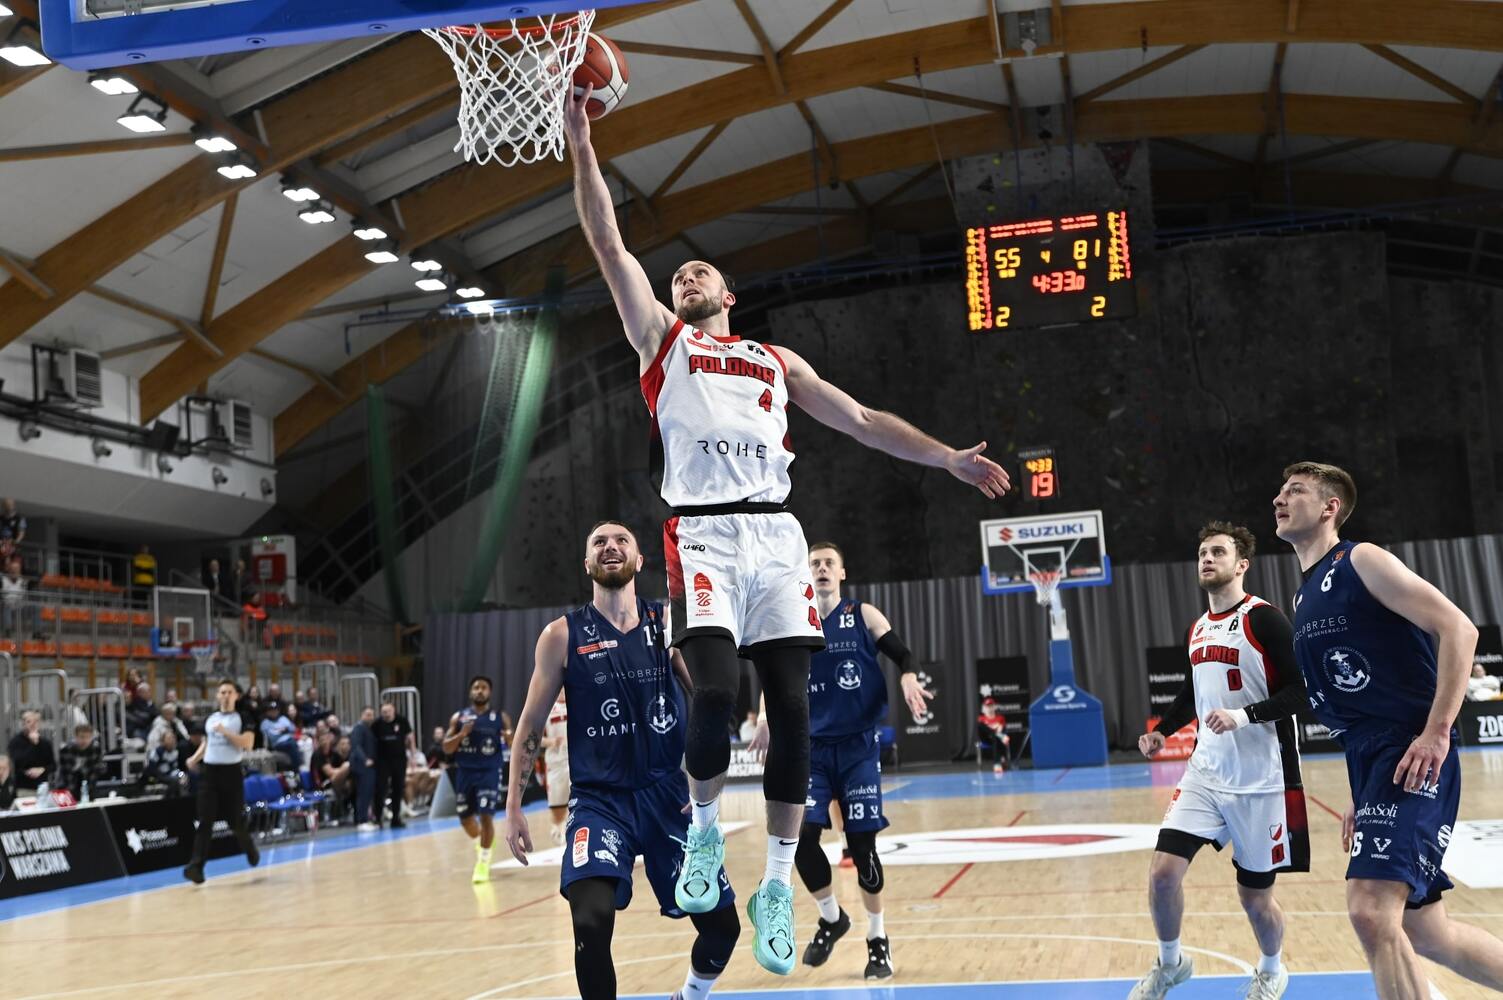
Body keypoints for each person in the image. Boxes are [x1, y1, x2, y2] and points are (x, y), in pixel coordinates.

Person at [562, 86, 1011, 977]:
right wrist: (580, 139)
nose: (685, 280)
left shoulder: (775, 361)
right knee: (714, 695)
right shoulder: (661, 342)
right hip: (702, 534)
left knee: (793, 714)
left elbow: (863, 419)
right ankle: (701, 833)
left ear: (729, 294)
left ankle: (774, 883)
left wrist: (945, 460)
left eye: (700, 274)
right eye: (678, 276)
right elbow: (608, 240)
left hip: (775, 538)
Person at [1275, 461, 1503, 998]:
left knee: (1371, 910)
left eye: (1296, 490)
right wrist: (1362, 794)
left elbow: (1459, 629)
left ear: (1330, 508)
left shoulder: (1361, 560)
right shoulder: (1303, 596)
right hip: (1373, 761)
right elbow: (1357, 711)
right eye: (1280, 491)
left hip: (1411, 750)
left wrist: (1437, 731)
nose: (1280, 499)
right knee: (1427, 933)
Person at [504, 520, 739, 1000]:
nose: (610, 547)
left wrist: (707, 783)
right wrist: (513, 805)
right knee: (590, 922)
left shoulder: (667, 623)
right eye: (599, 542)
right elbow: (529, 726)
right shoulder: (560, 635)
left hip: (668, 796)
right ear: (587, 562)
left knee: (723, 928)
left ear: (639, 559)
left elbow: (708, 700)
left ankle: (690, 996)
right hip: (599, 802)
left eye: (621, 541)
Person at [1131, 521, 1310, 1000]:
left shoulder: (1264, 620)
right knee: (1162, 874)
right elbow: (1193, 693)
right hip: (1206, 774)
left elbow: (1303, 692)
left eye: (1217, 552)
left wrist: (1243, 715)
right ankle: (1171, 963)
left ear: (1242, 564)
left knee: (1255, 898)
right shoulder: (1197, 628)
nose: (1207, 559)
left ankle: (1271, 970)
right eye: (1202, 553)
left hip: (1262, 779)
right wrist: (1163, 731)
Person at [747, 541, 929, 980]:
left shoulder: (862, 615)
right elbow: (774, 678)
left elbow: (902, 653)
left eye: (830, 563)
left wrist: (907, 675)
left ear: (842, 573)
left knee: (863, 848)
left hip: (857, 749)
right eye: (815, 563)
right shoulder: (793, 621)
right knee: (801, 839)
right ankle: (832, 917)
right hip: (811, 749)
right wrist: (765, 716)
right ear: (806, 572)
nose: (822, 568)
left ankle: (877, 937)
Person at [183, 678, 259, 883]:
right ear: (217, 695)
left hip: (231, 773)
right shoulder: (211, 719)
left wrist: (226, 732)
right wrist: (194, 759)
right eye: (222, 692)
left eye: (229, 692)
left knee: (235, 821)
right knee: (205, 821)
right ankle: (196, 867)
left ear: (236, 696)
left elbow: (248, 744)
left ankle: (250, 848)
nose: (225, 696)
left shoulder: (243, 717)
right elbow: (208, 743)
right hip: (209, 774)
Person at [443, 677, 507, 882]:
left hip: (489, 772)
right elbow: (446, 748)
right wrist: (461, 734)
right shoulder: (459, 717)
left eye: (484, 687)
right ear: (471, 692)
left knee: (486, 816)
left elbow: (513, 742)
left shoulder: (500, 717)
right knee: (466, 821)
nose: (480, 691)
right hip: (465, 773)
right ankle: (484, 839)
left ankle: (483, 863)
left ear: (490, 692)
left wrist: (509, 737)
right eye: (476, 687)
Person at [372, 700, 414, 828]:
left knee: (398, 788)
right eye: (384, 712)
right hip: (383, 760)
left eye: (388, 711)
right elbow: (372, 741)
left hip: (399, 759)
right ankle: (378, 818)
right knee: (381, 789)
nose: (386, 714)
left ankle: (396, 818)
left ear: (394, 710)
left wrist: (413, 756)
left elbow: (410, 737)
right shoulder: (377, 724)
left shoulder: (402, 721)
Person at [541, 690, 570, 845]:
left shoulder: (579, 699)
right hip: (556, 763)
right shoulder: (544, 706)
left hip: (578, 760)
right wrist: (550, 742)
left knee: (583, 801)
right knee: (558, 813)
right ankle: (558, 833)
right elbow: (533, 736)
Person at [7, 709, 55, 789]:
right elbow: (19, 763)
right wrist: (33, 745)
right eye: (29, 722)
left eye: (36, 721)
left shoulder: (45, 743)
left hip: (42, 786)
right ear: (23, 724)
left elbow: (53, 765)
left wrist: (42, 769)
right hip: (23, 787)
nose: (33, 724)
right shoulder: (15, 742)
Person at [348, 706, 378, 831]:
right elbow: (356, 746)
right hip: (362, 766)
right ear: (362, 715)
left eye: (371, 715)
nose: (370, 717)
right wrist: (365, 759)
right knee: (363, 793)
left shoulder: (369, 729)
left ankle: (365, 818)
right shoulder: (358, 728)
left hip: (369, 766)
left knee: (368, 792)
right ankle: (362, 820)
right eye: (367, 714)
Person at [57, 724, 106, 799]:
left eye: (88, 737)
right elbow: (63, 773)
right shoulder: (66, 750)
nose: (85, 740)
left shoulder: (95, 749)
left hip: (90, 788)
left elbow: (99, 770)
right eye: (82, 737)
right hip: (70, 788)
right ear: (76, 737)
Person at [142, 728, 189, 795]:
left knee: (186, 777)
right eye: (169, 738)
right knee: (174, 781)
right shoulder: (157, 752)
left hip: (173, 774)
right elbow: (151, 768)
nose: (172, 740)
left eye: (173, 738)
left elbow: (180, 768)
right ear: (163, 741)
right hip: (159, 777)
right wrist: (161, 776)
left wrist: (182, 775)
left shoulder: (177, 751)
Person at [1, 555, 38, 639]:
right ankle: (7, 631)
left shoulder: (23, 581)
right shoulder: (3, 580)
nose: (15, 571)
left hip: (20, 607)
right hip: (6, 606)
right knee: (6, 607)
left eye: (17, 569)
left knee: (35, 608)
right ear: (9, 570)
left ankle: (37, 633)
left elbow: (37, 577)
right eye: (13, 569)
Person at [259, 703, 301, 769]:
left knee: (299, 744)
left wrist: (285, 730)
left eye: (276, 710)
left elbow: (293, 728)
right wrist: (283, 731)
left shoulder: (283, 718)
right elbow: (272, 735)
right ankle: (296, 768)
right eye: (272, 710)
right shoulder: (265, 723)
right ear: (267, 712)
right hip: (278, 743)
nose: (274, 712)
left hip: (290, 740)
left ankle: (295, 767)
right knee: (292, 745)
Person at [976, 698, 1010, 774]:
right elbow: (983, 730)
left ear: (994, 707)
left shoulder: (1000, 718)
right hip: (986, 739)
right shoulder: (981, 718)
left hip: (997, 740)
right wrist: (994, 730)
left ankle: (997, 764)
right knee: (980, 725)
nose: (989, 708)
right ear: (984, 708)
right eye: (987, 706)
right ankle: (996, 734)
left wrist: (998, 730)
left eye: (991, 706)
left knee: (996, 737)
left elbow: (1002, 729)